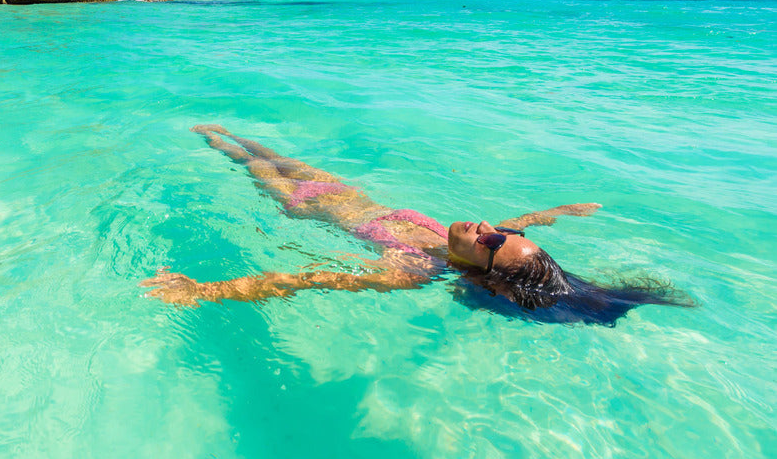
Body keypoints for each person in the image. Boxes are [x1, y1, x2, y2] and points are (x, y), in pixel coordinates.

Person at [142, 126, 692, 325]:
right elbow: (521, 221)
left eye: (494, 241)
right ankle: (217, 129)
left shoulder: (413, 269)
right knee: (267, 146)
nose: (489, 227)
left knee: (246, 159)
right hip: (345, 192)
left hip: (303, 204)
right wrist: (562, 211)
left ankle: (203, 136)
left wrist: (207, 291)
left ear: (485, 270)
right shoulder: (482, 239)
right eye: (505, 233)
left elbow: (308, 279)